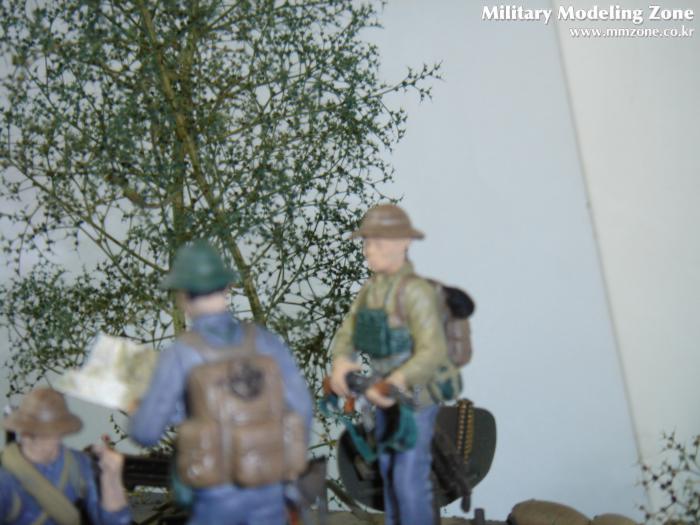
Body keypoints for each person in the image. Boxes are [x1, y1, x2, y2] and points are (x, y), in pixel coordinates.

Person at [129, 240, 313, 525]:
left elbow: (146, 432)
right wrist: (287, 465)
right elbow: (303, 407)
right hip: (269, 485)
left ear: (183, 297)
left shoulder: (180, 354)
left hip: (215, 493)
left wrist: (136, 410)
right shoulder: (266, 342)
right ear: (226, 288)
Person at [329, 203, 452, 525]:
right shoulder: (370, 290)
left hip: (415, 397)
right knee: (388, 473)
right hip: (381, 395)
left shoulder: (416, 292)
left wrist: (395, 382)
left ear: (403, 243)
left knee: (408, 481)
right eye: (367, 242)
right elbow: (348, 332)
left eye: (377, 242)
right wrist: (341, 362)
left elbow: (432, 351)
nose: (368, 250)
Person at [0, 388, 131, 525]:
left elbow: (113, 521)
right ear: (23, 433)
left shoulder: (78, 465)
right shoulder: (5, 475)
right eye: (35, 434)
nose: (45, 444)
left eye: (50, 434)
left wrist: (111, 479)